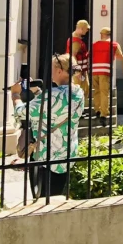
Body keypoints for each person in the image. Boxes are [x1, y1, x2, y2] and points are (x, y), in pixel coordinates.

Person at [12, 53, 86, 198]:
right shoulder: (78, 92)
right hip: (67, 153)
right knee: (57, 197)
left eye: (52, 69)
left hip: (46, 157)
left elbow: (22, 112)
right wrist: (38, 92)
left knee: (43, 199)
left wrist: (15, 95)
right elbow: (54, 108)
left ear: (59, 71)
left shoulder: (51, 95)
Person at [87, 27, 122, 124]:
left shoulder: (94, 45)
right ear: (109, 34)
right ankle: (104, 114)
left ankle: (97, 109)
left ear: (101, 35)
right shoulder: (114, 45)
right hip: (105, 71)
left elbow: (89, 56)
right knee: (104, 92)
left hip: (94, 71)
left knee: (96, 91)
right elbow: (120, 57)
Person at [66, 19, 91, 112]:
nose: (87, 31)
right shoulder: (76, 41)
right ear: (81, 28)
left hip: (81, 70)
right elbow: (73, 55)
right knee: (79, 90)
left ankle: (79, 110)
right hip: (79, 71)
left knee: (84, 88)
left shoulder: (75, 39)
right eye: (86, 29)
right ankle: (77, 111)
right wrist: (77, 70)